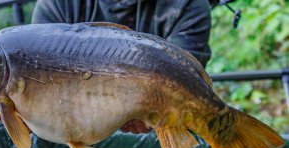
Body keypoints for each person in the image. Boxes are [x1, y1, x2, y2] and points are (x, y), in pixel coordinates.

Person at [27, 0, 212, 134]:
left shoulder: (189, 5)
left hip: (161, 129)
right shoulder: (57, 5)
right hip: (72, 127)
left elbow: (186, 86)